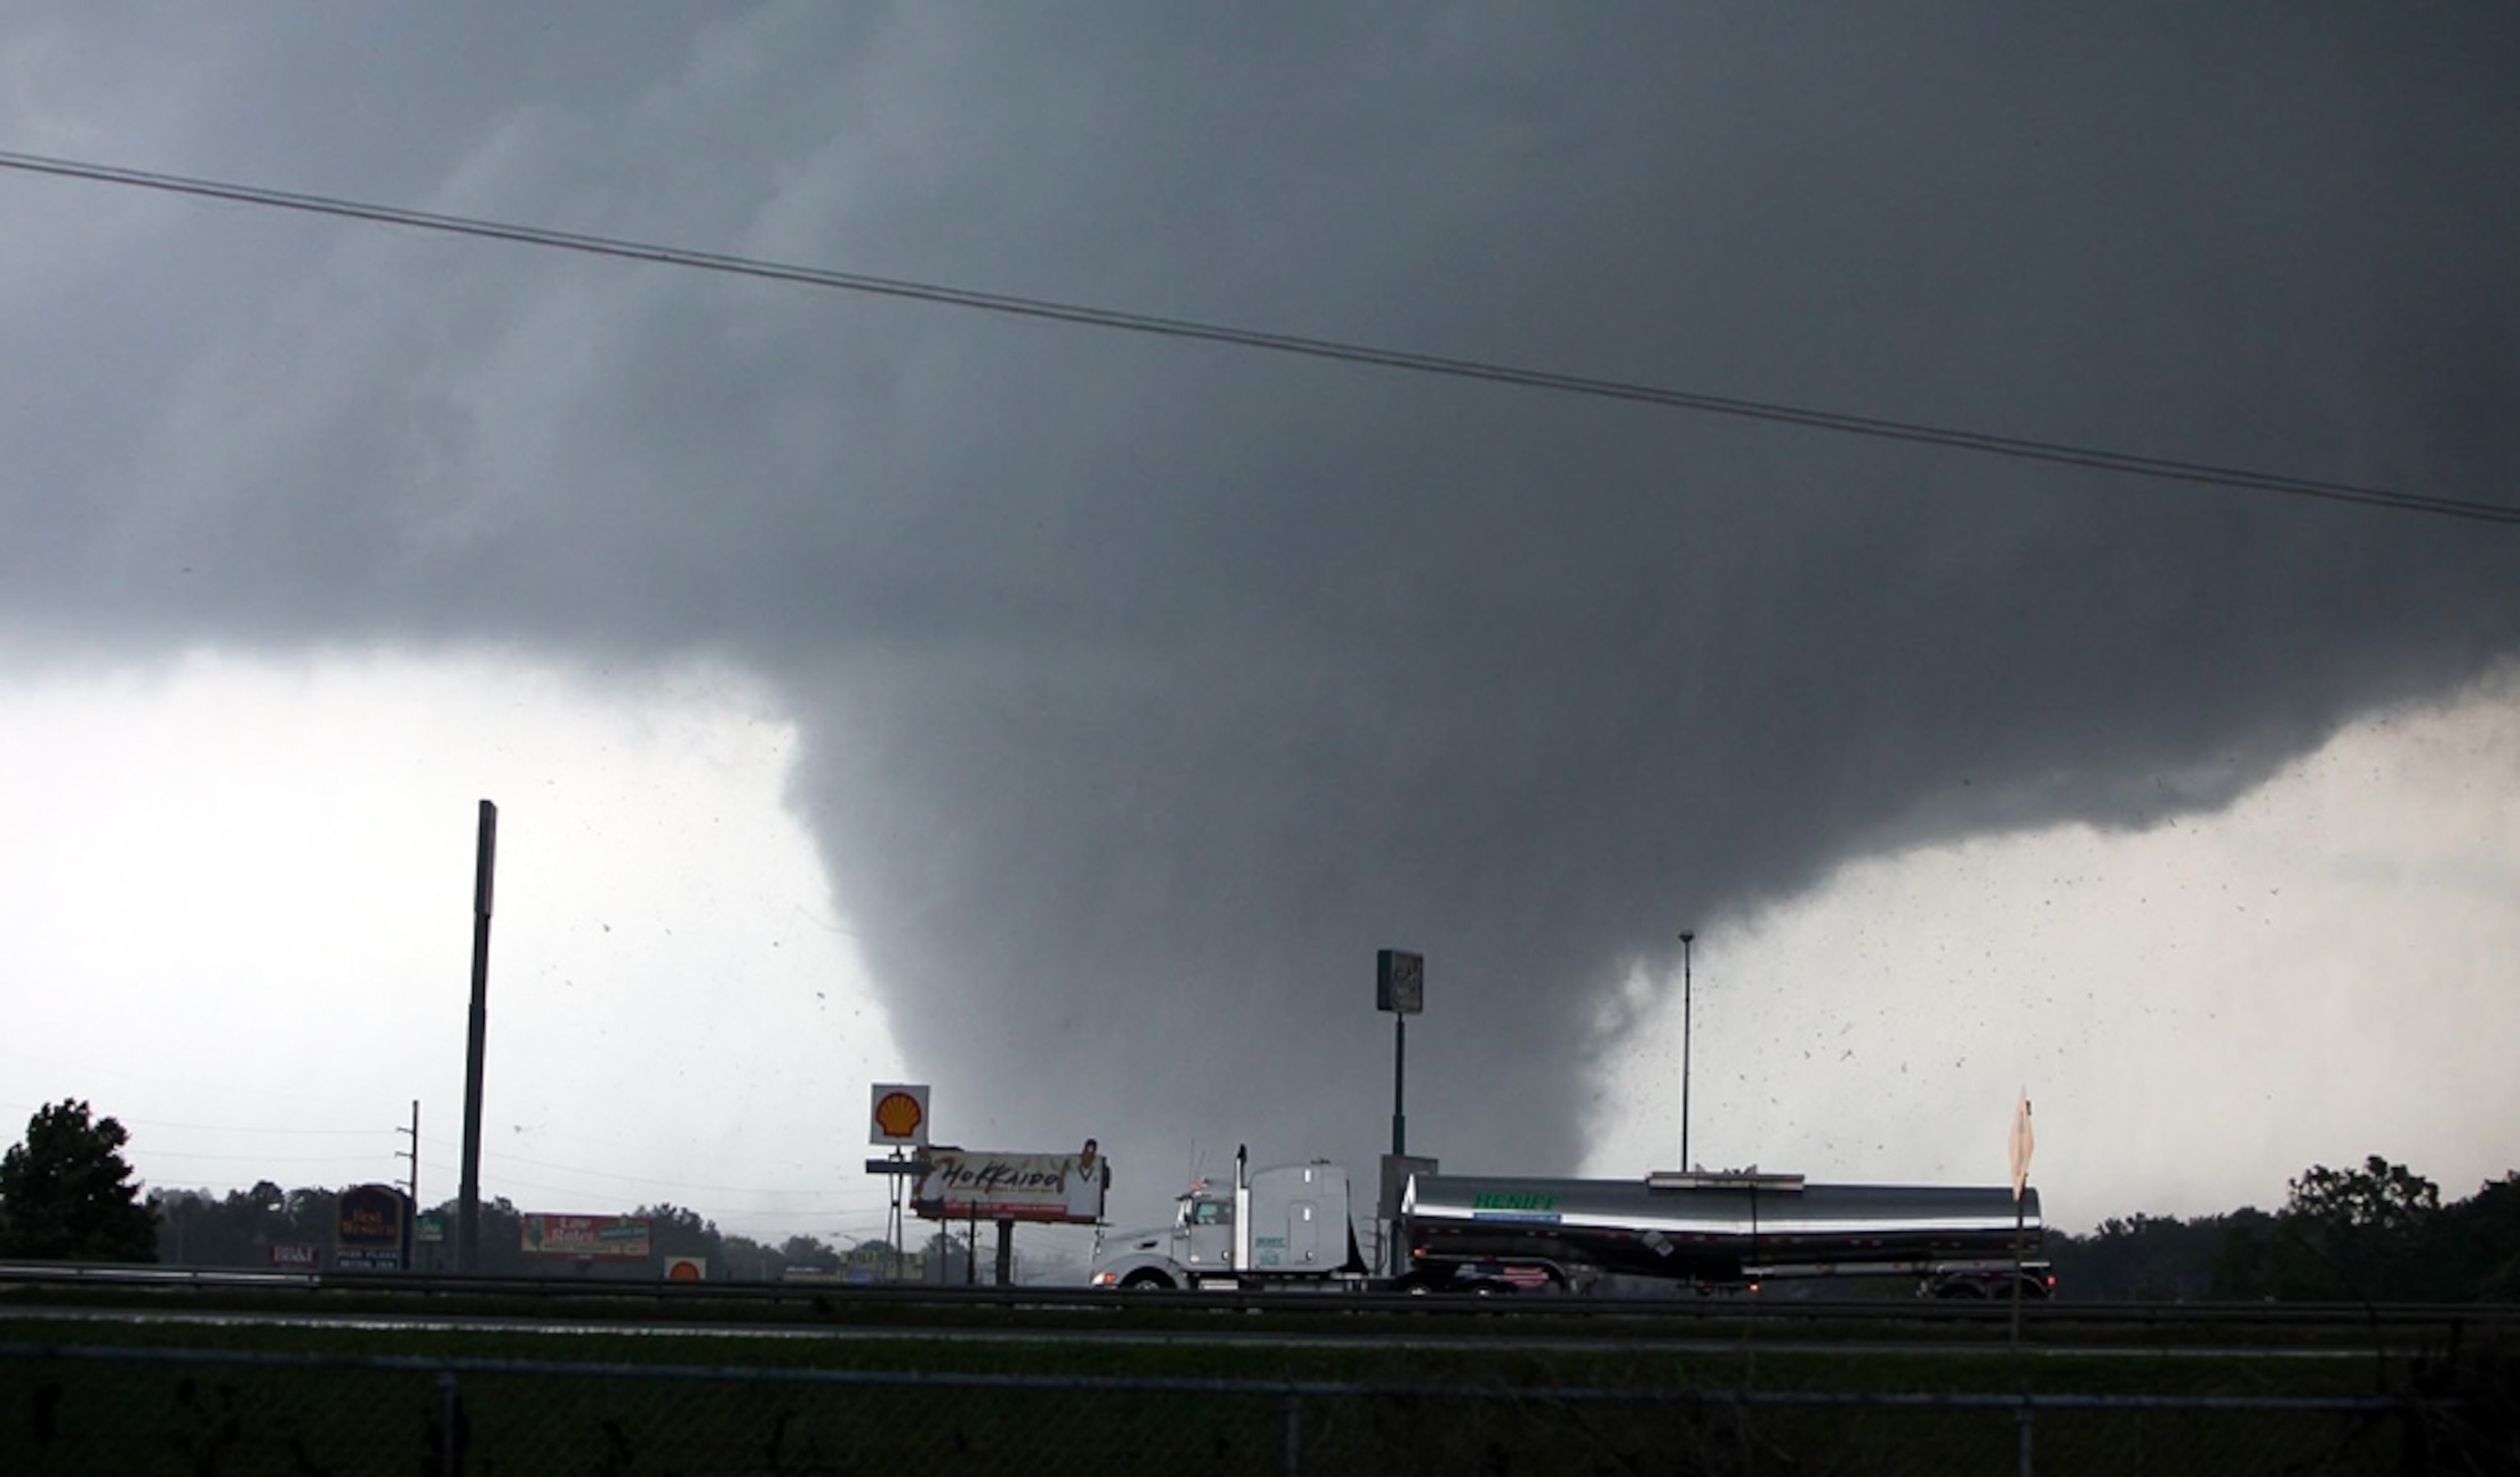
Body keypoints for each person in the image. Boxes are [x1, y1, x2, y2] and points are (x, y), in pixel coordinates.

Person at [1065, 1137, 1108, 1222]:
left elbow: (1106, 1185)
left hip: (1091, 1210)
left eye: (1093, 1150)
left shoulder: (1099, 1169)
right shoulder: (1072, 1167)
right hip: (1073, 1209)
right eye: (1088, 1149)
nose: (1090, 1153)